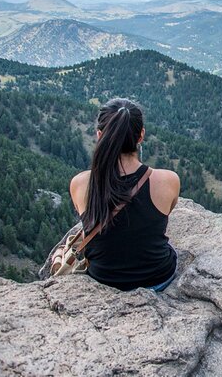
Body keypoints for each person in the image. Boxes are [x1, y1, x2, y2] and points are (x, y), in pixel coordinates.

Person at [69, 98, 180, 292]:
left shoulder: (80, 183)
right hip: (157, 278)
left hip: (103, 280)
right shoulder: (168, 180)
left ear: (99, 135)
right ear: (141, 136)